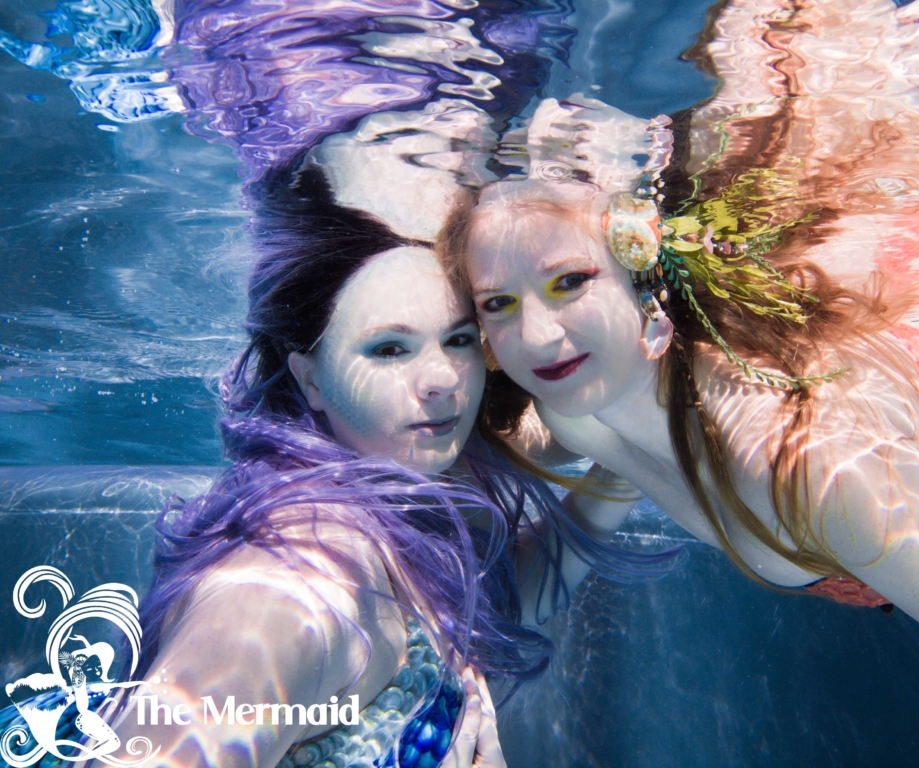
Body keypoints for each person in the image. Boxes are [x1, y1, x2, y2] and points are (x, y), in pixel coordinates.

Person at [437, 11, 919, 687]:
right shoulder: (577, 406)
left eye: (570, 282)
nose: (536, 335)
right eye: (498, 304)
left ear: (645, 286)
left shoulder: (804, 467)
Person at [75, 161, 637, 768]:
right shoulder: (298, 587)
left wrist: (627, 462)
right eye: (389, 348)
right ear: (310, 379)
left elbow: (496, 599)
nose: (443, 379)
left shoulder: (413, 481)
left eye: (458, 339)